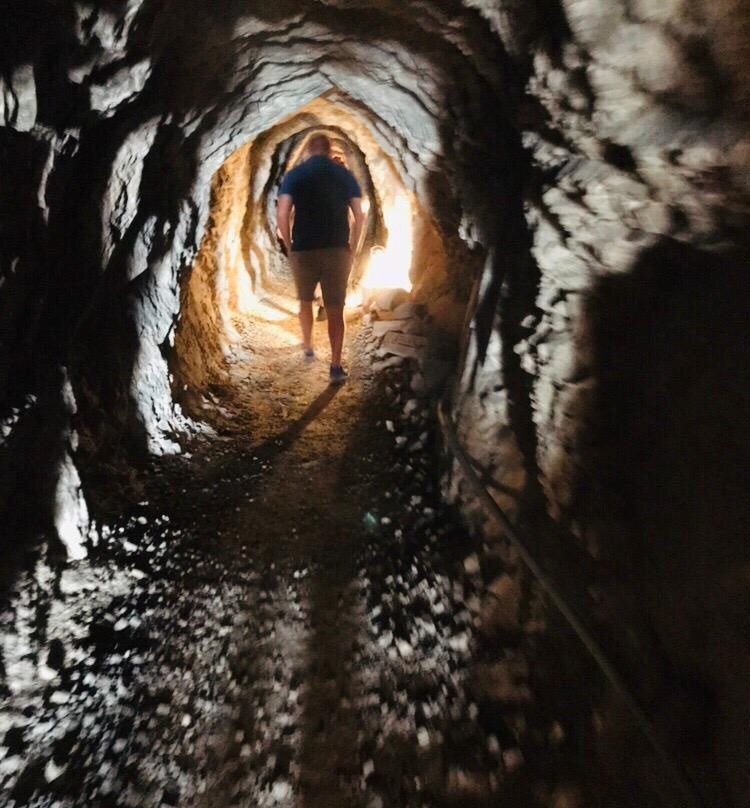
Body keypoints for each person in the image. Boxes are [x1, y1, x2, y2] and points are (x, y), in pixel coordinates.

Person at [277, 134, 365, 384]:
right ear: (328, 151)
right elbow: (360, 215)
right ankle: (335, 367)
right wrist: (354, 247)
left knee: (305, 301)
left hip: (304, 248)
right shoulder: (344, 175)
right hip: (337, 249)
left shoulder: (295, 175)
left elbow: (282, 213)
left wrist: (289, 245)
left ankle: (308, 346)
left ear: (307, 151)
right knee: (336, 309)